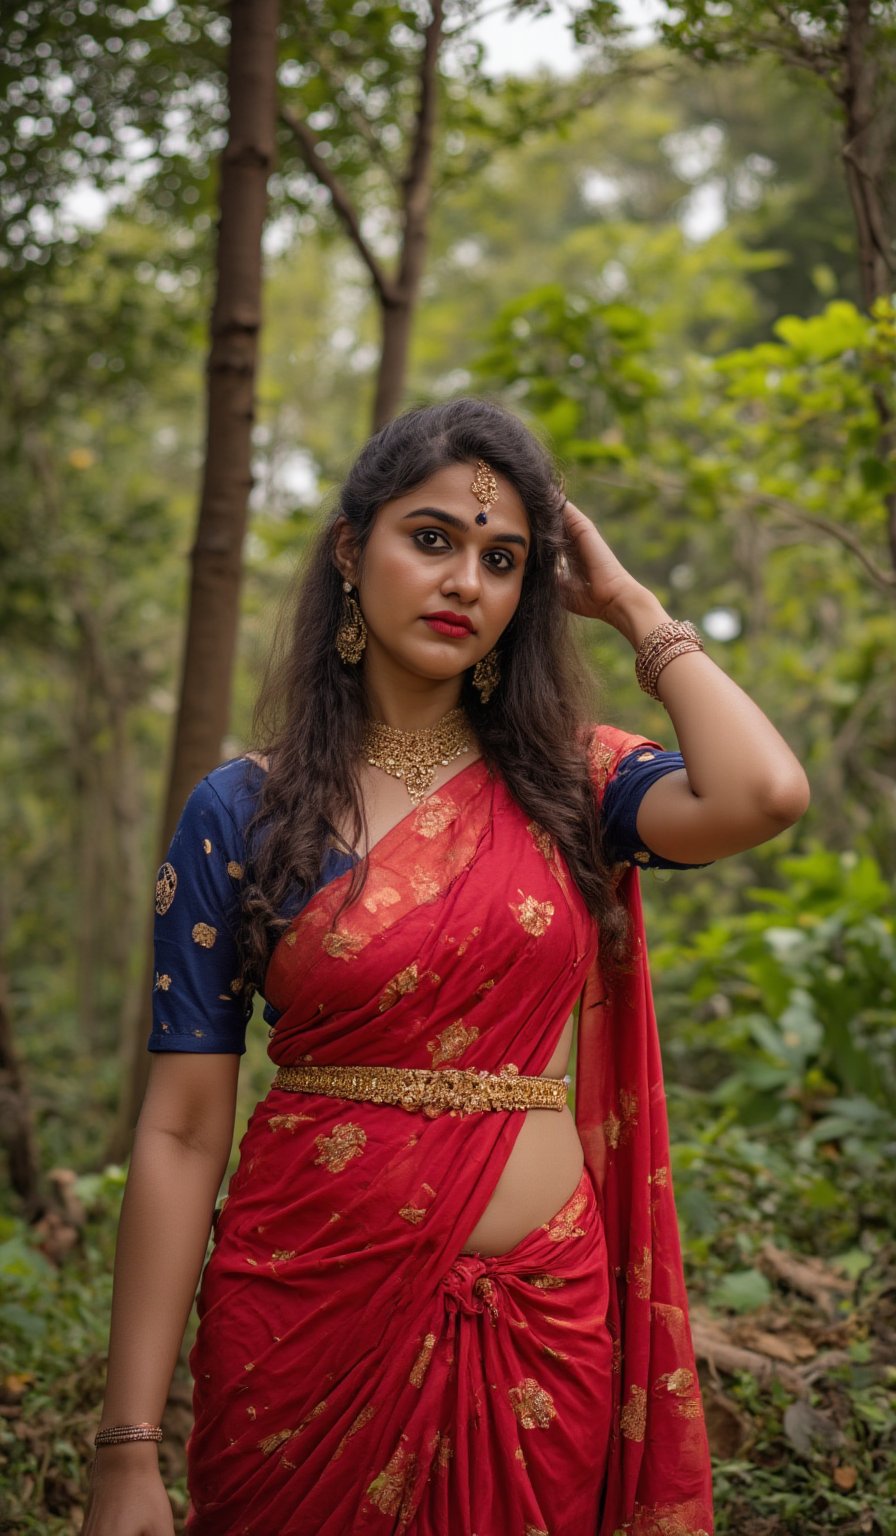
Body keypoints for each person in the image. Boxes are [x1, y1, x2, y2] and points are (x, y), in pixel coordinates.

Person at [82, 398, 810, 1536]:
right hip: (305, 1327)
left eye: (502, 558)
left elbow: (762, 795)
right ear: (348, 548)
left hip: (538, 1332)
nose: (465, 579)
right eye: (431, 538)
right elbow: (179, 1129)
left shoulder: (576, 786)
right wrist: (127, 1448)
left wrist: (628, 604)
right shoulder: (243, 811)